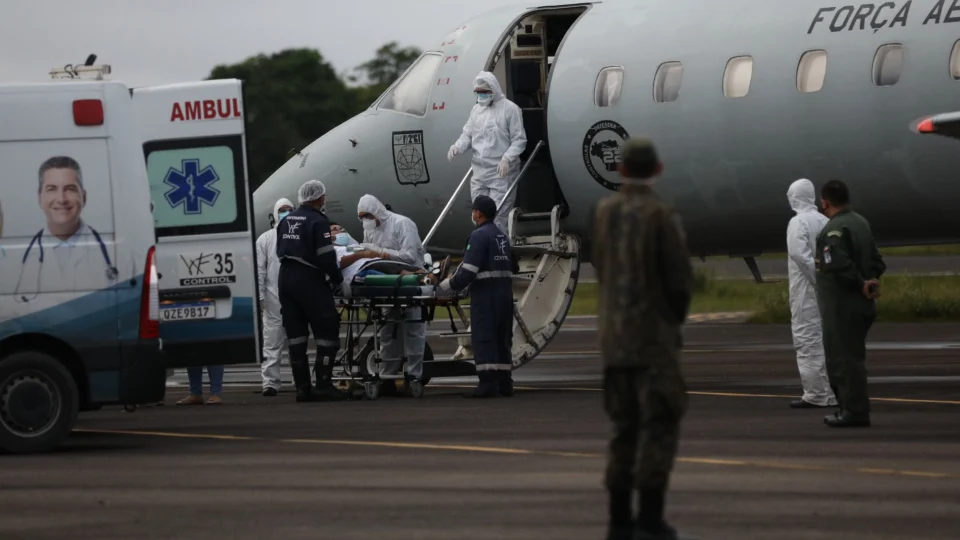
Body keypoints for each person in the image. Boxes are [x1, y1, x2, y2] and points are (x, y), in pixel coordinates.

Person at [592, 138, 694, 540]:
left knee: (623, 429)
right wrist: (672, 323)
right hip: (652, 340)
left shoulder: (602, 213)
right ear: (658, 169)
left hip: (614, 340)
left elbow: (601, 265)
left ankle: (618, 520)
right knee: (659, 424)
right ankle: (649, 520)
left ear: (620, 170)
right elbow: (679, 282)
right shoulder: (660, 215)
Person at [816, 179, 886, 428]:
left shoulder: (835, 228)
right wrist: (872, 280)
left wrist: (859, 284)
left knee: (844, 360)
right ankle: (850, 408)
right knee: (852, 357)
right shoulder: (860, 222)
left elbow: (837, 263)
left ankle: (854, 411)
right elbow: (877, 259)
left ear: (825, 202)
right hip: (863, 305)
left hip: (843, 305)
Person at [276, 179, 350, 402]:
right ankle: (324, 384)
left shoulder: (286, 220)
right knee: (327, 328)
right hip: (308, 279)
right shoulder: (318, 222)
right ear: (319, 198)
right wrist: (338, 280)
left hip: (285, 278)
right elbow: (326, 257)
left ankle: (302, 389)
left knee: (296, 335)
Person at [439, 195, 515, 398]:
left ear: (478, 213)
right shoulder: (501, 236)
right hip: (505, 295)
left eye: (474, 210)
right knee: (502, 338)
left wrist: (449, 285)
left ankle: (488, 384)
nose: (472, 213)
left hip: (486, 296)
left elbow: (469, 271)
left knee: (484, 339)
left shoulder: (478, 236)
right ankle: (504, 383)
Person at [16, 156, 120, 299]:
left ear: (83, 197)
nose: (62, 199)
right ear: (40, 198)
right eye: (52, 189)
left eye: (70, 189)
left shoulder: (120, 256)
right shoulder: (17, 259)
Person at [356, 194, 428, 391]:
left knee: (414, 331)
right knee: (388, 332)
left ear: (376, 212)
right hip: (388, 282)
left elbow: (410, 258)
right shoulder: (369, 229)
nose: (365, 221)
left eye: (367, 216)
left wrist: (381, 253)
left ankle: (414, 375)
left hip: (411, 280)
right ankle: (387, 376)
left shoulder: (403, 224)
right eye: (361, 217)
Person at [447, 71, 527, 236]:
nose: (481, 96)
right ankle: (484, 254)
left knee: (497, 218)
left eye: (484, 92)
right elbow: (468, 135)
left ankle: (499, 255)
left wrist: (507, 158)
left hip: (501, 172)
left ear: (493, 90)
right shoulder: (476, 111)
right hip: (479, 172)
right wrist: (457, 147)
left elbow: (519, 140)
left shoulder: (510, 109)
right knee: (478, 217)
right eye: (478, 93)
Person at [785, 179, 837, 409]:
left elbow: (799, 255)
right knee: (828, 340)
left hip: (807, 289)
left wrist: (817, 280)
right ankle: (832, 392)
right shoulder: (826, 220)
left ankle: (816, 394)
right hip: (828, 288)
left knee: (807, 340)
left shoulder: (797, 223)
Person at [256, 197, 294, 397]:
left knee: (298, 342)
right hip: (273, 300)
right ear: (275, 213)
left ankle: (300, 379)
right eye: (283, 210)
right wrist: (260, 297)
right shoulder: (265, 239)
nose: (286, 213)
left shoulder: (298, 235)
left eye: (290, 209)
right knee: (272, 343)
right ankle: (270, 383)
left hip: (295, 298)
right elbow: (260, 270)